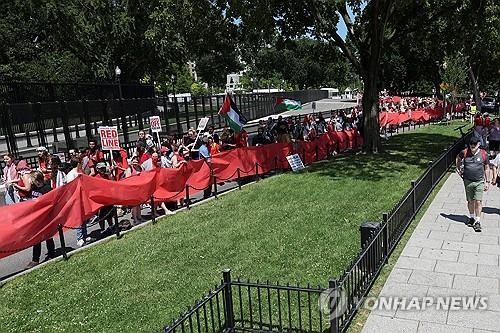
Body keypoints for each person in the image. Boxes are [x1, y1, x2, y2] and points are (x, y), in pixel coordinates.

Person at [17, 171, 55, 268]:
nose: (31, 182)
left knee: (48, 237)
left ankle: (51, 254)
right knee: (36, 239)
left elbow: (51, 202)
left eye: (32, 180)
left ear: (37, 180)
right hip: (36, 218)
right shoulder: (33, 188)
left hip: (45, 217)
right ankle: (35, 259)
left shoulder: (47, 189)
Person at [456, 136, 489, 232]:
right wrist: (458, 169)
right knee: (470, 201)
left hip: (479, 181)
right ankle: (471, 217)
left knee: (478, 201)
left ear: (479, 144)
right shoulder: (465, 152)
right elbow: (458, 158)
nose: (473, 146)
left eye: (475, 144)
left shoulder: (483, 154)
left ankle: (478, 220)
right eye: (471, 144)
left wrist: (487, 181)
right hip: (467, 181)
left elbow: (487, 167)